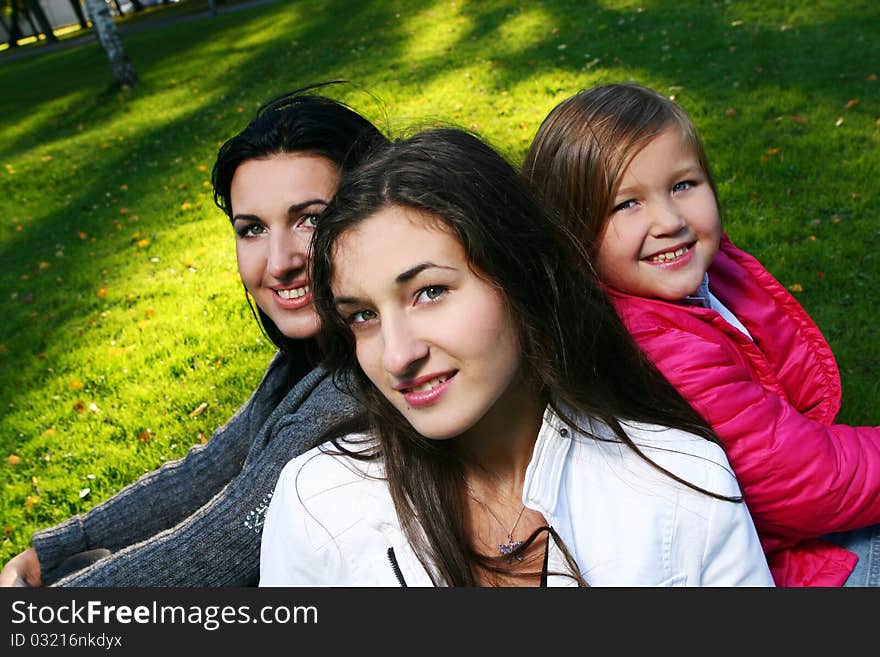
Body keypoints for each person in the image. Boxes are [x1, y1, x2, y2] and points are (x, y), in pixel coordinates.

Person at [258, 127, 773, 586]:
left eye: (431, 292)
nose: (397, 356)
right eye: (363, 316)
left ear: (523, 277)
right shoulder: (317, 502)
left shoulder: (682, 481)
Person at [0, 83, 388, 587]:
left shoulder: (359, 387)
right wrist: (55, 551)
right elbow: (210, 468)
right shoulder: (311, 358)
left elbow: (224, 542)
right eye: (252, 229)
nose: (279, 262)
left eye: (310, 220)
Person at [522, 82, 880, 587]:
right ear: (572, 233)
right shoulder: (658, 346)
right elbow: (801, 484)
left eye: (683, 185)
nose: (669, 220)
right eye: (626, 204)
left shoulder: (688, 283)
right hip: (780, 567)